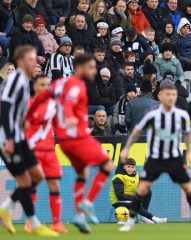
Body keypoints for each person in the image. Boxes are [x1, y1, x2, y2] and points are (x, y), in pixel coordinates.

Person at [28, 54, 115, 233]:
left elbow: (42, 97)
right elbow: (68, 104)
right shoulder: (76, 85)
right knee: (107, 165)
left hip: (63, 141)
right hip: (77, 137)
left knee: (82, 172)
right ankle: (87, 204)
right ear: (80, 67)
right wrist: (69, 119)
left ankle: (78, 215)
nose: (94, 70)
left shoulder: (59, 84)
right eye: (91, 67)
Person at [119, 80, 191, 232]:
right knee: (143, 188)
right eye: (168, 94)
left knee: (188, 188)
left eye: (173, 94)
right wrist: (126, 148)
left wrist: (189, 152)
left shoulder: (181, 115)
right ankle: (131, 221)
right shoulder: (151, 114)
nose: (171, 97)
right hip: (155, 157)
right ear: (160, 96)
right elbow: (136, 132)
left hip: (174, 158)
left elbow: (187, 135)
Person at [0, 46, 59, 237]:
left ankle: (5, 208)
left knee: (37, 176)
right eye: (30, 59)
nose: (35, 62)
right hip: (8, 138)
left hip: (19, 136)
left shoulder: (24, 81)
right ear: (20, 62)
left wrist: (23, 122)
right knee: (25, 181)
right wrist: (9, 138)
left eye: (35, 59)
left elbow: (17, 110)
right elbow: (6, 109)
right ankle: (33, 224)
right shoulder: (15, 80)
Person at [24, 75, 67, 233]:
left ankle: (56, 223)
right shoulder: (27, 104)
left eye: (48, 85)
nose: (46, 88)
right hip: (33, 150)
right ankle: (31, 222)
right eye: (42, 84)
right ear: (34, 87)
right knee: (32, 186)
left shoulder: (53, 105)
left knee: (54, 185)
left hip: (49, 150)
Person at [109, 158, 167, 224]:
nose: (130, 169)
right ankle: (153, 218)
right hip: (118, 201)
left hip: (131, 199)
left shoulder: (136, 175)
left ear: (135, 168)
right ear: (124, 167)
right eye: (128, 167)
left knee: (148, 192)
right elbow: (120, 196)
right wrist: (135, 199)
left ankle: (142, 218)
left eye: (132, 167)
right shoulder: (118, 177)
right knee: (134, 202)